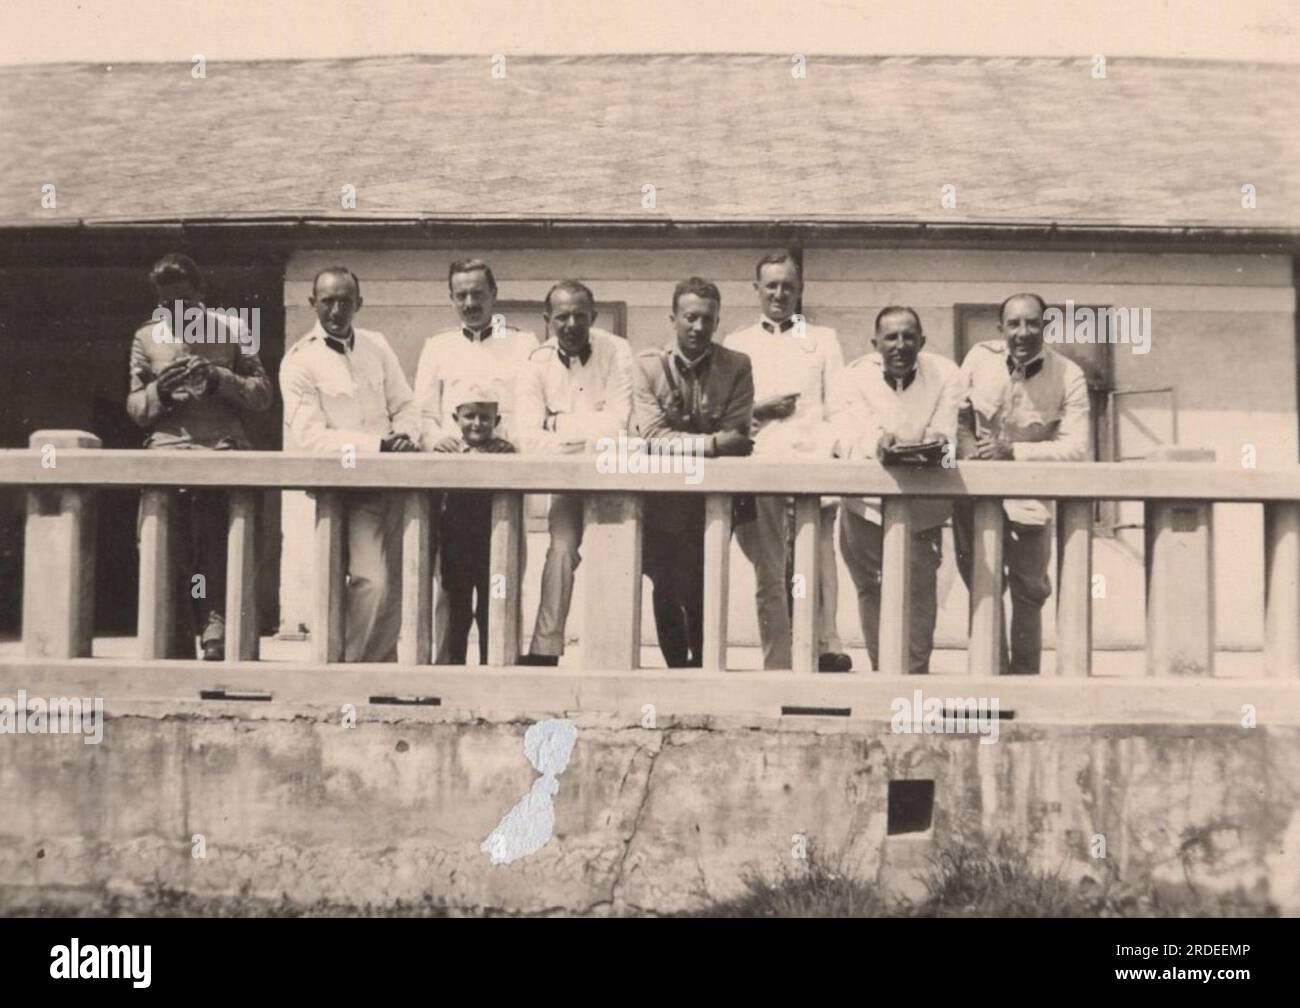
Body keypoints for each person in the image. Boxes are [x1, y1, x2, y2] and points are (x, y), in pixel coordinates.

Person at [126, 252, 273, 660]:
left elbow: (263, 395)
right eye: (167, 303)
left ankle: (217, 636)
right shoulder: (146, 337)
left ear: (201, 293)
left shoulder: (234, 328)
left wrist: (219, 378)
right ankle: (172, 641)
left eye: (184, 301)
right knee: (163, 549)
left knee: (218, 549)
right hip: (167, 453)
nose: (176, 311)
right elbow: (136, 410)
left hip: (220, 449)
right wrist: (160, 393)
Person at [279, 266, 422, 662]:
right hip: (342, 488)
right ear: (313, 304)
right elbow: (311, 438)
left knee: (396, 583)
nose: (337, 310)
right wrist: (379, 445)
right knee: (370, 579)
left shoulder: (377, 345)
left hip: (392, 481)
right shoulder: (299, 361)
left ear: (359, 303)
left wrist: (406, 435)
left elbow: (405, 405)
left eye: (345, 300)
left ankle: (379, 667)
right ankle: (350, 668)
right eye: (328, 301)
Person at [724, 251, 851, 671]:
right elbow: (727, 418)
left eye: (788, 286)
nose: (779, 293)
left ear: (800, 291)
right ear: (756, 289)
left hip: (810, 473)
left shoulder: (824, 340)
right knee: (771, 576)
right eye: (771, 285)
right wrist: (760, 410)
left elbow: (839, 410)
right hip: (759, 476)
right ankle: (778, 663)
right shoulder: (738, 344)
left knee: (814, 570)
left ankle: (820, 651)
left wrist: (827, 456)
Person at [953, 292, 1091, 674]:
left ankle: (1025, 682)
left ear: (1046, 326)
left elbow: (1077, 448)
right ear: (1001, 329)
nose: (1023, 332)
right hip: (977, 499)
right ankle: (987, 678)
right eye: (1014, 323)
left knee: (1030, 593)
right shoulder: (979, 358)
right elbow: (959, 414)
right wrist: (972, 455)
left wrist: (1013, 452)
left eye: (1032, 323)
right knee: (983, 590)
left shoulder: (1069, 375)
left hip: (1030, 499)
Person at [412, 258, 539, 662]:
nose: (470, 302)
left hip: (502, 484)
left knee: (499, 582)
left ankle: (498, 670)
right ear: (451, 298)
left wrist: (509, 441)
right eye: (461, 295)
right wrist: (437, 441)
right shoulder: (438, 347)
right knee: (451, 586)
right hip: (453, 489)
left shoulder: (523, 344)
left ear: (494, 295)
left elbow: (530, 410)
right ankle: (446, 674)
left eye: (478, 293)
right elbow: (423, 415)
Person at [831, 306, 962, 674]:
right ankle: (882, 674)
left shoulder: (945, 374)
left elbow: (947, 434)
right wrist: (877, 442)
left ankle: (915, 677)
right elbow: (847, 434)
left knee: (920, 595)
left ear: (922, 340)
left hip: (923, 509)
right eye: (891, 337)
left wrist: (937, 442)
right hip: (865, 509)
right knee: (872, 589)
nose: (900, 345)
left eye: (908, 336)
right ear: (875, 343)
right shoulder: (852, 377)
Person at [633, 277, 753, 668]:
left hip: (712, 498)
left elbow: (739, 432)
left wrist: (693, 443)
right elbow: (652, 437)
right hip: (663, 498)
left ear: (717, 322)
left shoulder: (736, 366)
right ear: (673, 319)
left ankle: (705, 666)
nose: (698, 327)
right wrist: (713, 445)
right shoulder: (649, 366)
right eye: (690, 318)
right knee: (665, 583)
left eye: (707, 319)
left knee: (705, 582)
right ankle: (675, 669)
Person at [514, 280, 633, 666]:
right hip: (565, 480)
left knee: (610, 555)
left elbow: (618, 424)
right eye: (561, 316)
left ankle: (609, 653)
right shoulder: (535, 362)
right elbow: (527, 438)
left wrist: (556, 423)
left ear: (594, 317)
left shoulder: (617, 351)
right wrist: (584, 430)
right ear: (547, 320)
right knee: (561, 551)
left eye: (579, 316)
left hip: (612, 475)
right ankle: (546, 648)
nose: (570, 324)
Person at [433, 382, 517, 664]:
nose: (477, 424)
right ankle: (451, 669)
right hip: (455, 540)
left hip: (491, 541)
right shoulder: (445, 451)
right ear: (456, 418)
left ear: (497, 421)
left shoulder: (505, 452)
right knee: (457, 607)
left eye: (485, 417)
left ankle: (489, 666)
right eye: (469, 416)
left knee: (490, 607)